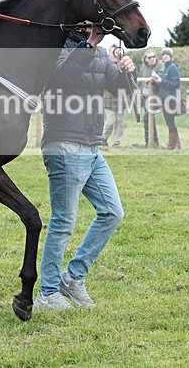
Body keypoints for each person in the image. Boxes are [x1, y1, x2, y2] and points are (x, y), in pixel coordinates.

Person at [35, 26, 135, 310]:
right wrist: (91, 43)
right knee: (63, 222)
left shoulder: (102, 54)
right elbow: (63, 76)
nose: (95, 26)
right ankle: (48, 293)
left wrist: (128, 71)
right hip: (64, 145)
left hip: (92, 147)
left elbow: (122, 92)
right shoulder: (53, 47)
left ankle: (73, 277)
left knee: (112, 212)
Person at [152, 47, 181, 150]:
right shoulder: (166, 68)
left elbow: (175, 83)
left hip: (171, 99)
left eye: (167, 55)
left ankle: (172, 145)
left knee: (170, 121)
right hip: (165, 99)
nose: (165, 56)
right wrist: (156, 81)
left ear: (170, 56)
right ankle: (176, 144)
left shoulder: (172, 67)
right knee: (170, 121)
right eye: (163, 55)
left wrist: (162, 81)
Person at [101, 45, 125, 148]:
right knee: (110, 121)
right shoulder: (105, 65)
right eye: (113, 52)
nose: (116, 54)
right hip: (108, 99)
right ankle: (103, 138)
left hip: (121, 100)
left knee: (120, 122)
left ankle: (117, 142)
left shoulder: (123, 65)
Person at [139, 49, 164, 147]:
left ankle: (154, 142)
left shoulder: (160, 65)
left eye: (153, 56)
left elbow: (161, 76)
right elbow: (139, 81)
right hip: (146, 97)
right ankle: (149, 142)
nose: (152, 59)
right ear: (146, 59)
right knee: (147, 119)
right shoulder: (143, 68)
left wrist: (152, 79)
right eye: (149, 57)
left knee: (149, 117)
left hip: (158, 96)